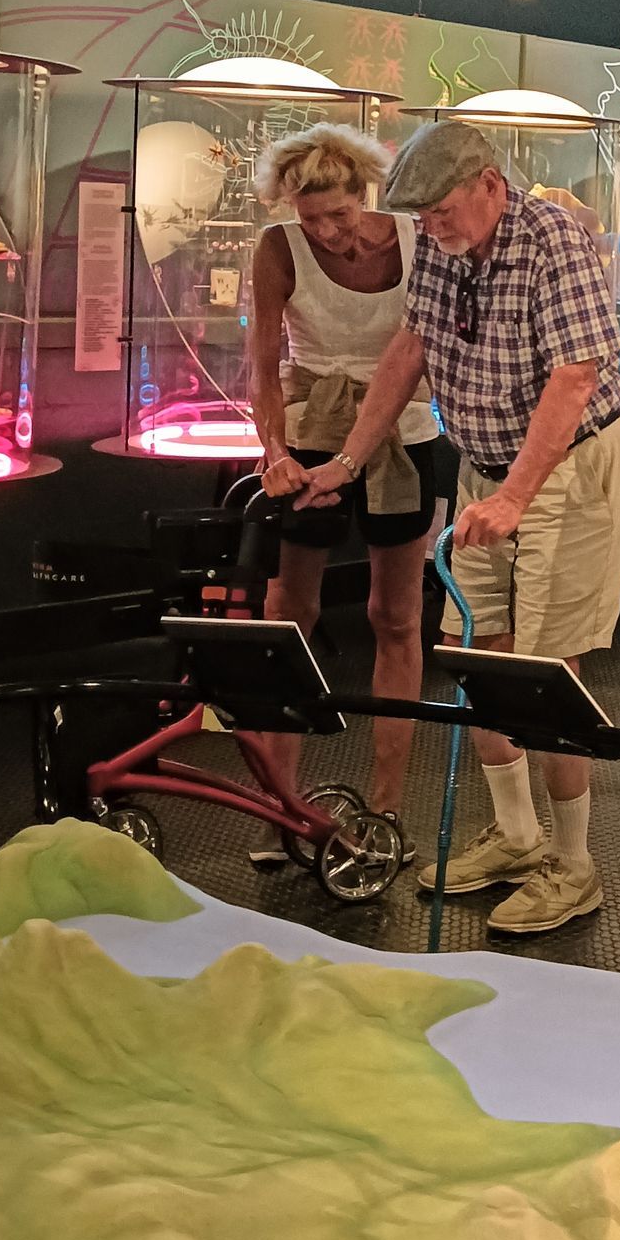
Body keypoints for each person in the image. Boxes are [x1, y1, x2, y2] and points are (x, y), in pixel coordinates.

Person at [291, 117, 620, 937]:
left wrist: (517, 495)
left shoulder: (553, 240)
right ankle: (517, 837)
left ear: (489, 184)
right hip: (487, 468)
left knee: (546, 668)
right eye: (421, 217)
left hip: (568, 466)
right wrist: (347, 461)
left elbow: (573, 377)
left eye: (442, 211)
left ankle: (574, 866)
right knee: (476, 653)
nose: (433, 228)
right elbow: (409, 349)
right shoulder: (445, 248)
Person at [250, 124, 438, 849]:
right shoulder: (278, 248)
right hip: (312, 432)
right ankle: (279, 804)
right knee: (289, 612)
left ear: (366, 194)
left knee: (396, 617)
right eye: (312, 219)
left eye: (339, 214)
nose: (328, 232)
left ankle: (386, 808)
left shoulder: (417, 240)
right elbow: (264, 363)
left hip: (404, 435)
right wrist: (273, 452)